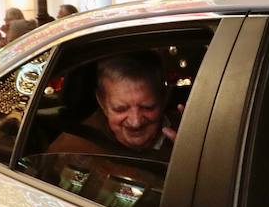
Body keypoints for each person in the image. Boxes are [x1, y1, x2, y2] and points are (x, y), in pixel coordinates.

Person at [47, 53, 179, 159]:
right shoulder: (71, 150)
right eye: (120, 109)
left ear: (164, 98)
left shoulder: (191, 136)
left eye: (147, 107)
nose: (136, 122)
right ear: (102, 102)